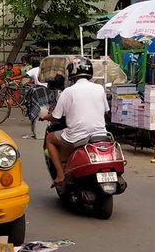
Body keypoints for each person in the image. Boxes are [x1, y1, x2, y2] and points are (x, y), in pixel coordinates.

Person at [42, 56, 108, 186]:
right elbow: (106, 110)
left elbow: (56, 116)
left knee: (50, 138)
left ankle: (60, 174)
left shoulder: (68, 91)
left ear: (72, 73)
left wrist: (45, 117)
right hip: (101, 135)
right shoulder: (100, 89)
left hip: (77, 136)